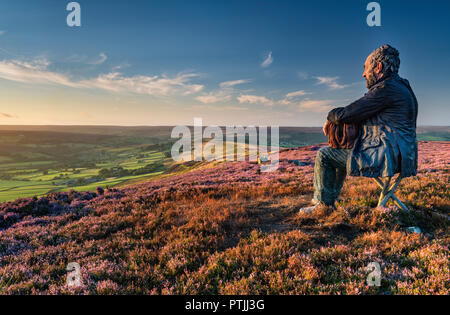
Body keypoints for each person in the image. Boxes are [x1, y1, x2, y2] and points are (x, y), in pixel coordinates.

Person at [300, 44, 418, 213]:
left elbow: (346, 114)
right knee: (341, 150)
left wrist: (330, 117)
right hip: (405, 158)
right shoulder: (402, 88)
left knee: (325, 155)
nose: (363, 74)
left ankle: (323, 205)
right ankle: (327, 202)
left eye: (366, 68)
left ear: (378, 67)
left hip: (386, 158)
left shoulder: (385, 89)